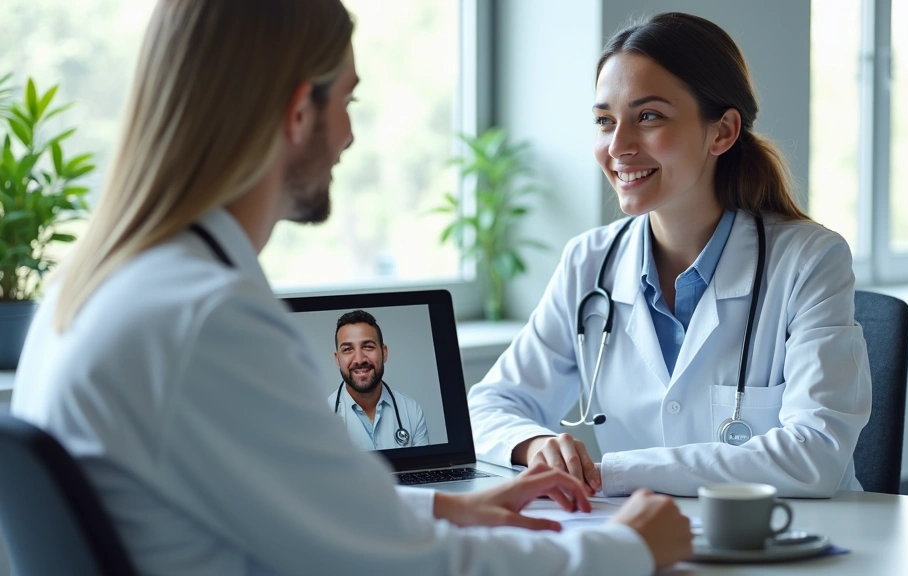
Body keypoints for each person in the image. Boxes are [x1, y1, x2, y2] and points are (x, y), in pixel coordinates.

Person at [10, 1, 694, 574]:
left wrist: (445, 505)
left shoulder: (105, 283)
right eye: (346, 100)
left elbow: (291, 501)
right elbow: (412, 569)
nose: (349, 135)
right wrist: (627, 547)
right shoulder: (205, 319)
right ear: (295, 111)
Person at [468, 12, 872, 499]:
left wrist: (612, 473)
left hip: (787, 542)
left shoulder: (810, 260)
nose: (617, 147)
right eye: (604, 121)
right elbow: (490, 405)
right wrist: (533, 443)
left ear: (722, 132)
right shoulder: (589, 261)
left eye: (649, 116)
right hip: (643, 538)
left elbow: (815, 454)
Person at [328, 310, 430, 449]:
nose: (359, 359)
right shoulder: (320, 419)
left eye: (368, 347)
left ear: (384, 353)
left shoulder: (412, 411)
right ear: (337, 359)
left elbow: (423, 469)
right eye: (347, 349)